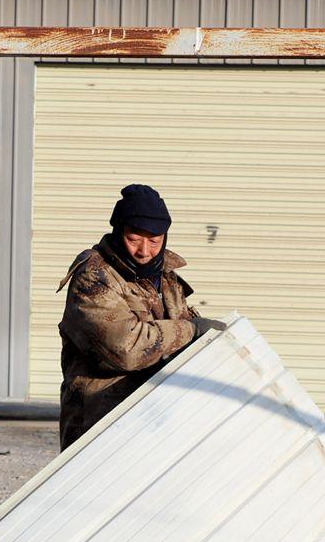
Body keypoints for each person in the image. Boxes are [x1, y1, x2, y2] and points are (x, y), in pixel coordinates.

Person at [56, 183, 225, 449]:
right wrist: (190, 331)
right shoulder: (94, 276)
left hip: (152, 416)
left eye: (154, 241)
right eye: (134, 239)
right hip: (100, 419)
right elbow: (126, 349)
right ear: (118, 230)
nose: (144, 251)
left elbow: (181, 333)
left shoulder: (165, 277)